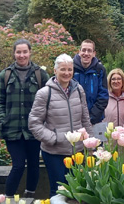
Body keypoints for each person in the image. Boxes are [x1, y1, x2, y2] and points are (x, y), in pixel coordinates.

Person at [29, 54, 92, 196]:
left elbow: (85, 119)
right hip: (55, 153)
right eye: (63, 69)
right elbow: (34, 123)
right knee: (58, 191)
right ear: (55, 70)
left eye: (70, 69)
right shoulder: (44, 93)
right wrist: (54, 138)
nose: (67, 73)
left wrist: (90, 144)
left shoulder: (79, 90)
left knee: (77, 190)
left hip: (78, 152)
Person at [0, 39, 49, 199]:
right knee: (18, 165)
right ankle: (7, 198)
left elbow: (49, 101)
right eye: (18, 52)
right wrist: (2, 121)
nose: (22, 55)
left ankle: (29, 196)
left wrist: (43, 123)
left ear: (30, 52)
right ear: (14, 53)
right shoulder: (5, 75)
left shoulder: (41, 75)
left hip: (34, 130)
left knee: (33, 164)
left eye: (25, 52)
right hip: (12, 129)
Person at [73, 39, 108, 125]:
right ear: (79, 51)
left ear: (94, 53)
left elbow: (103, 96)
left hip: (95, 120)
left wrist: (92, 117)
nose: (86, 53)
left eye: (89, 51)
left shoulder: (100, 70)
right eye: (84, 50)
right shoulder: (71, 68)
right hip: (74, 119)